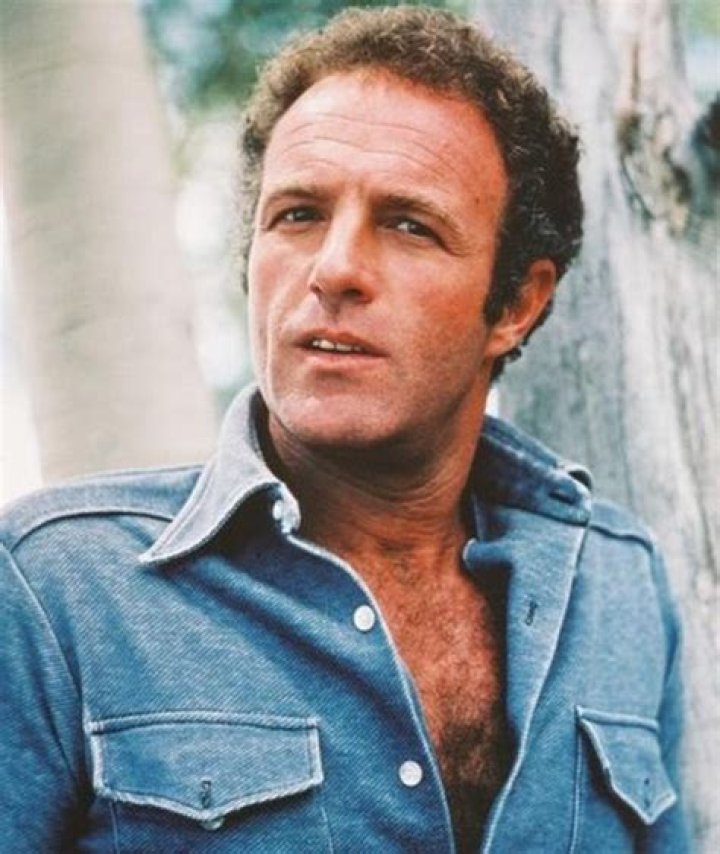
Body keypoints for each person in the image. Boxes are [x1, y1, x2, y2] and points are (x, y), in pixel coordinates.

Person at [0, 6, 689, 853]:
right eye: (297, 215)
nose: (334, 270)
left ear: (516, 302)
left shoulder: (618, 583)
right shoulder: (54, 588)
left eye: (409, 225)